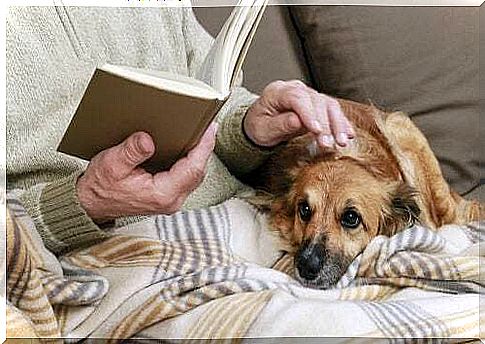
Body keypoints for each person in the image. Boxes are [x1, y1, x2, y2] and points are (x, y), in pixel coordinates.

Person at [6, 5, 353, 256]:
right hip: (110, 257)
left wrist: (250, 126)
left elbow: (210, 94)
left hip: (256, 218)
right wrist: (85, 203)